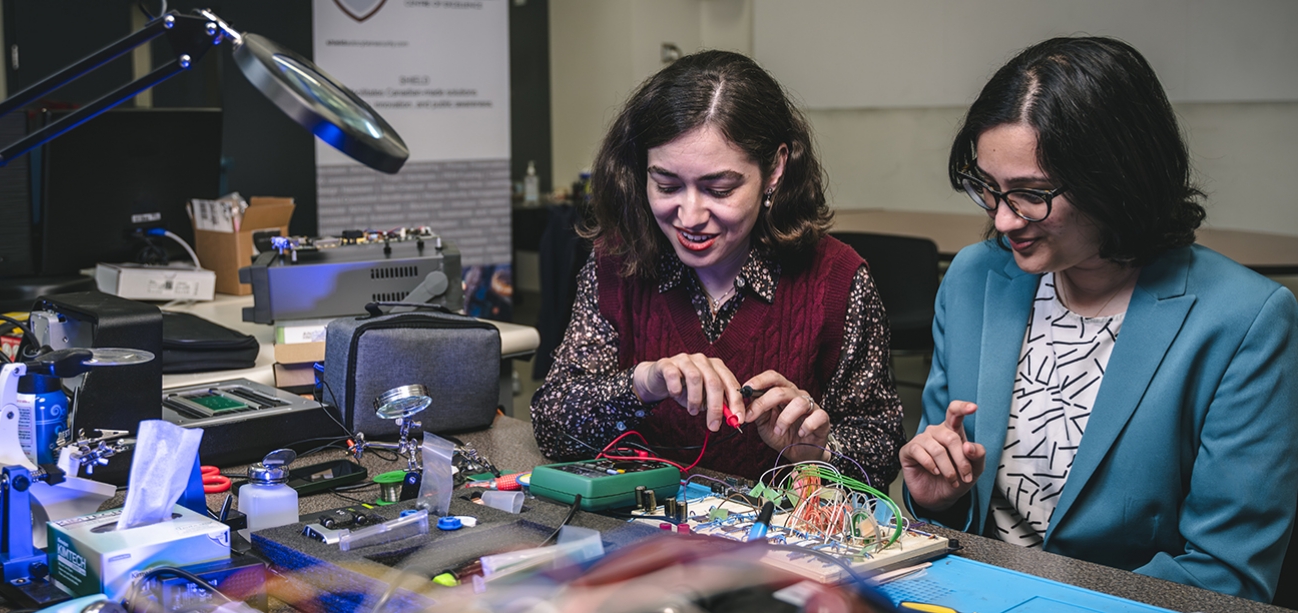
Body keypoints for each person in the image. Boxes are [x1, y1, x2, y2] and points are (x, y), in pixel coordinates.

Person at [900, 36, 1298, 601]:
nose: (1004, 220)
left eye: (1031, 194)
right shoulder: (974, 280)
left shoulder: (1243, 319)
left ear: (1117, 179)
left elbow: (1226, 576)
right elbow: (947, 513)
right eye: (987, 188)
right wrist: (937, 497)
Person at [530, 50, 904, 489]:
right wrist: (642, 384)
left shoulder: (837, 280)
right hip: (638, 535)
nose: (689, 215)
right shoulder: (617, 264)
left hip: (781, 546)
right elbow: (552, 425)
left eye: (719, 189)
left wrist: (816, 451)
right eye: (666, 185)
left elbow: (881, 454)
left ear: (775, 170)